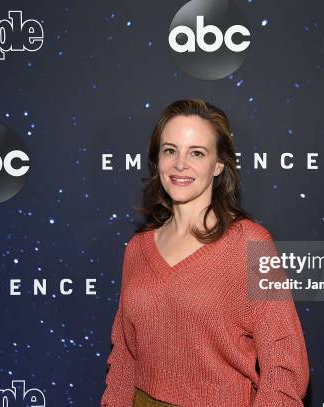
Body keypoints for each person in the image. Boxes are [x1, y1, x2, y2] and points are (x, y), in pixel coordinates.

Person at [100, 99, 309, 406]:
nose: (180, 164)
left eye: (196, 152)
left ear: (219, 165)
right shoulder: (137, 249)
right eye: (170, 150)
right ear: (157, 160)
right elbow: (124, 357)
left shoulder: (250, 244)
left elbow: (285, 365)